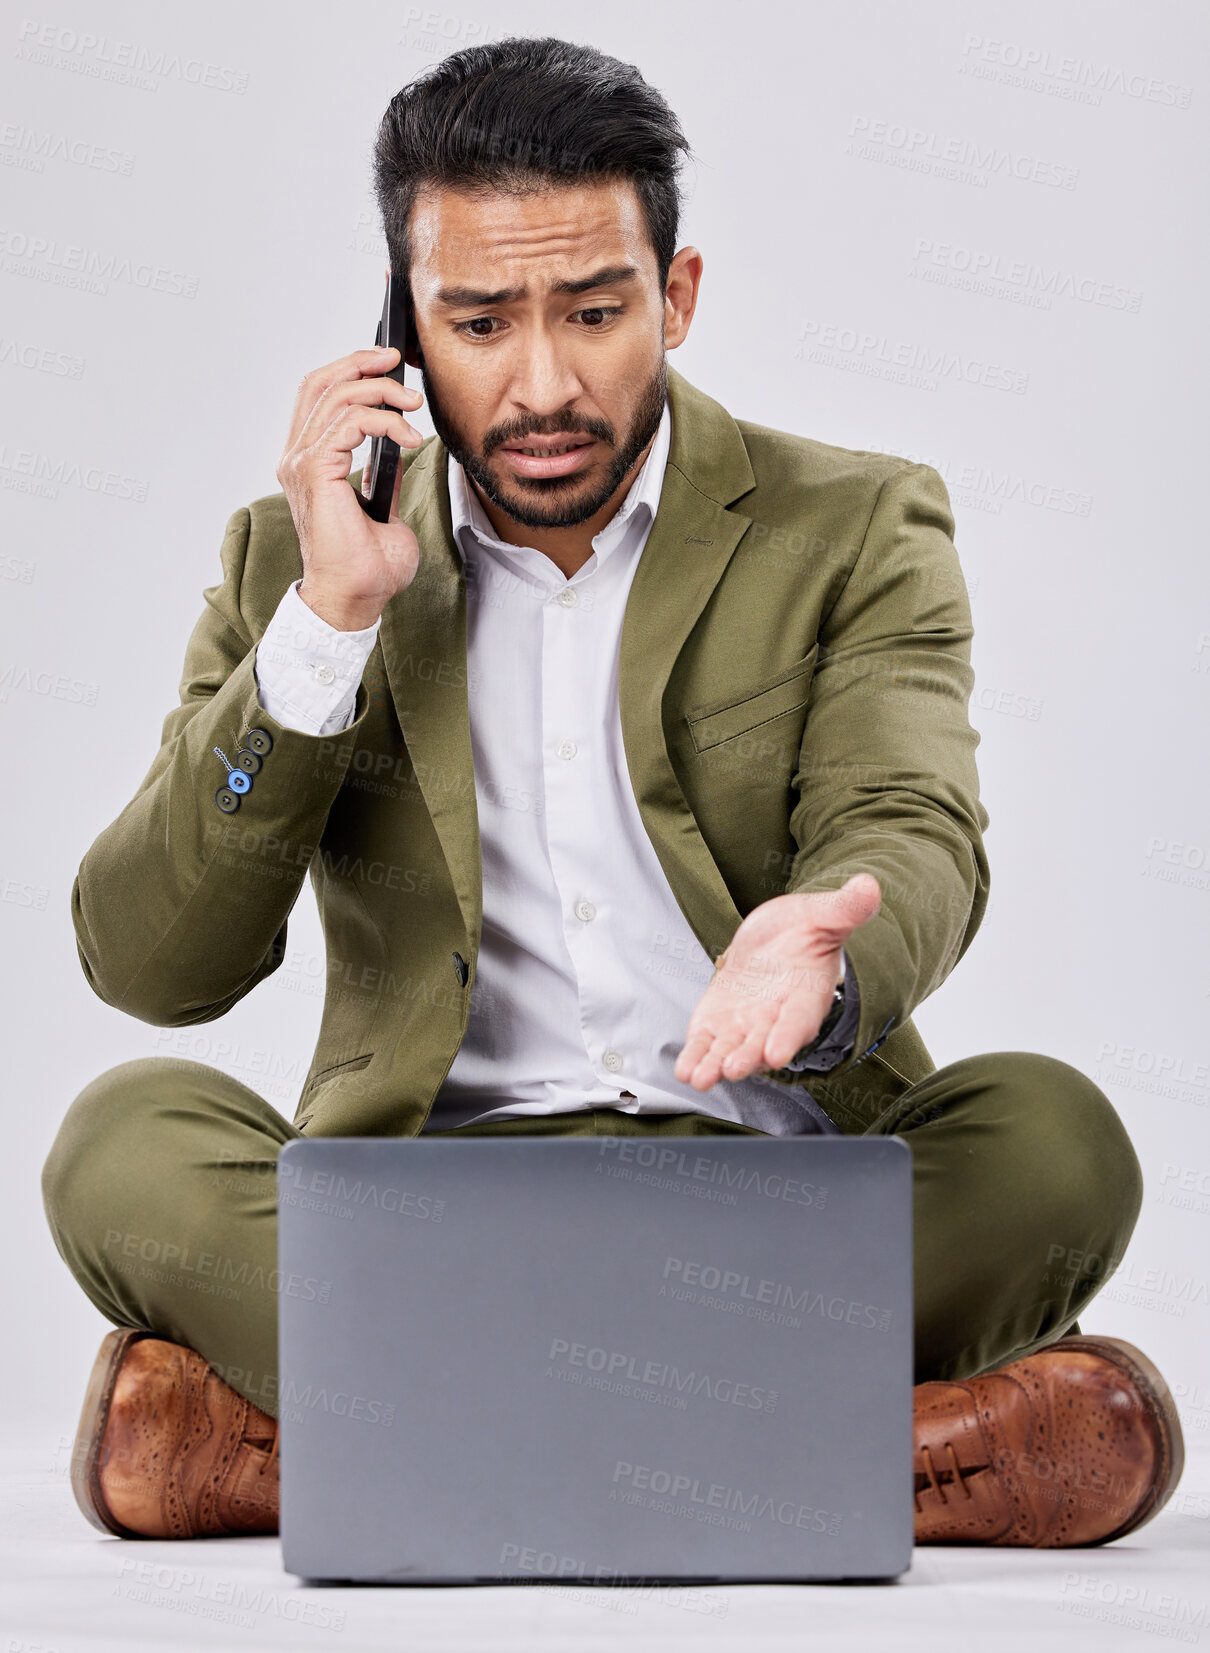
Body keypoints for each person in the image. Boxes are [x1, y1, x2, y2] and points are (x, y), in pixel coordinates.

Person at [43, 35, 1182, 1547]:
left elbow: (909, 817)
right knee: (120, 1137)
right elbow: (150, 964)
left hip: (774, 1202)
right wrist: (328, 628)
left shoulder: (853, 522)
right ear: (399, 334)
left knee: (1057, 1139)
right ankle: (886, 1452)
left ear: (678, 295)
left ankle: (307, 1454)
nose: (543, 384)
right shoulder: (295, 562)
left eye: (595, 313)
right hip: (424, 1206)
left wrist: (824, 961)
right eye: (479, 322)